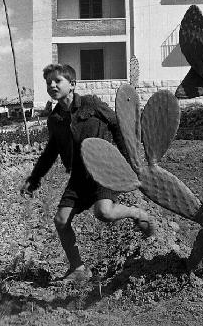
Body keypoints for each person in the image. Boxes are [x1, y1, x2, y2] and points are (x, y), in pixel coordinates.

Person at [20, 63, 154, 282]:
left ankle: (138, 213)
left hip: (105, 167)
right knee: (61, 220)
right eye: (48, 83)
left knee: (105, 213)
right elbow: (51, 151)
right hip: (79, 176)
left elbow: (117, 126)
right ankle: (79, 268)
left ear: (72, 84)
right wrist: (34, 178)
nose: (52, 85)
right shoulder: (55, 120)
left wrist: (129, 162)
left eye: (57, 81)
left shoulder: (91, 104)